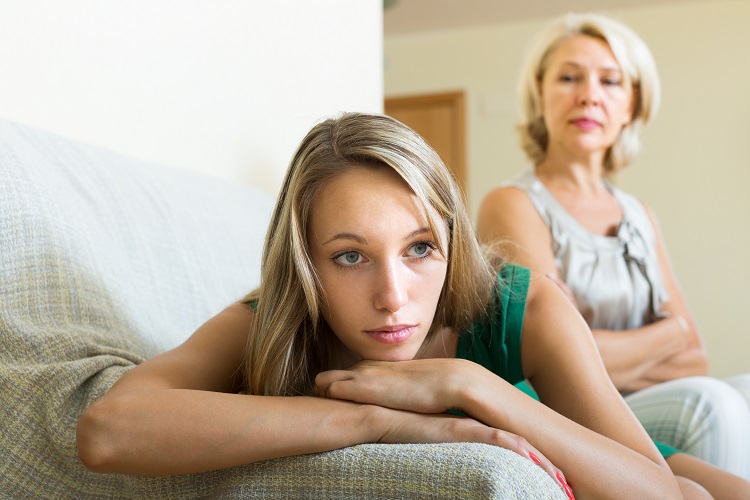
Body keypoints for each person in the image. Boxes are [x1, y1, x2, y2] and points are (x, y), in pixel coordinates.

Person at [77, 112, 696, 499]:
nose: (394, 297)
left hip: (588, 427)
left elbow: (657, 492)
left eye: (420, 248)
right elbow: (107, 431)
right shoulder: (272, 321)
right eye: (350, 256)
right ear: (306, 266)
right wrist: (371, 420)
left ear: (452, 243)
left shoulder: (524, 306)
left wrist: (468, 382)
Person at [477, 12, 750, 497]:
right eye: (568, 78)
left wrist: (609, 349)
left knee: (746, 387)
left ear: (631, 105)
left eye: (610, 80)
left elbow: (695, 356)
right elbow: (552, 353)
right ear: (540, 94)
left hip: (643, 400)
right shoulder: (512, 203)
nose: (588, 95)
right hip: (570, 408)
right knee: (710, 405)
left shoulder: (640, 214)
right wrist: (667, 334)